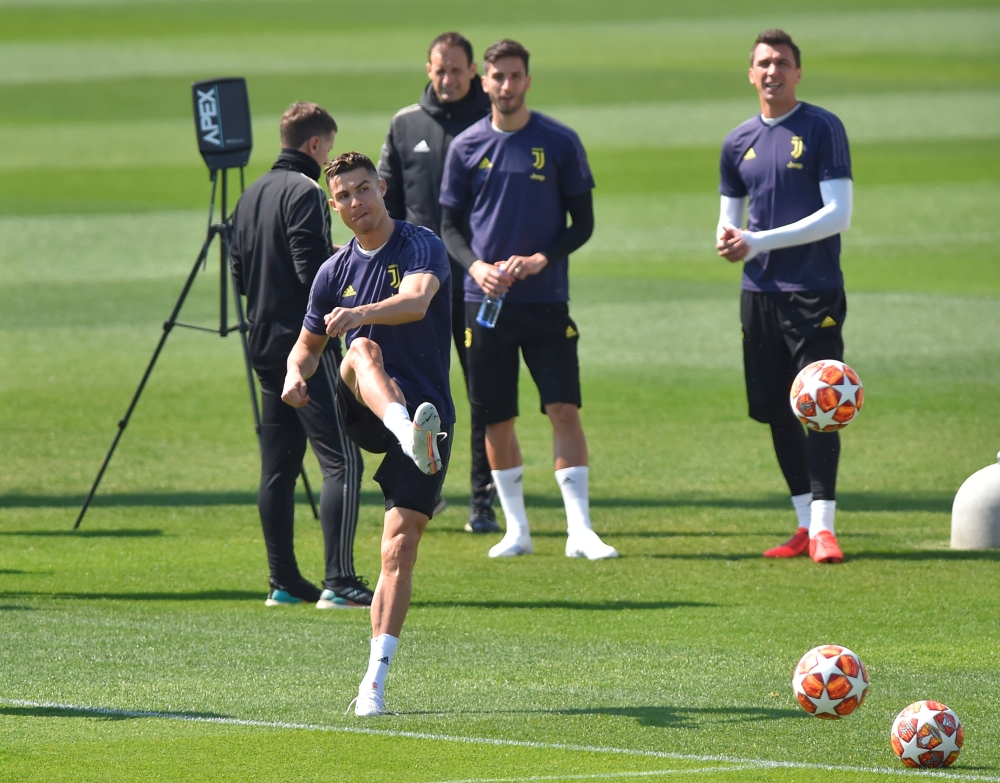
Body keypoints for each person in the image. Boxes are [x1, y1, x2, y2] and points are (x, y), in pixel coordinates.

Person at [283, 151, 453, 717]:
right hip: (368, 410)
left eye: (364, 190)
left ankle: (372, 682)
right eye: (345, 196)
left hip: (431, 411)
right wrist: (292, 377)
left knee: (397, 550)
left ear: (382, 189)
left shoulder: (420, 244)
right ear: (334, 206)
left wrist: (359, 313)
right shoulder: (334, 272)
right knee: (361, 351)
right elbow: (306, 350)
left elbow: (418, 300)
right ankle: (404, 431)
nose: (357, 202)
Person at [439, 39, 617, 561]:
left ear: (527, 81)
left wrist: (543, 259)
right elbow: (449, 225)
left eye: (516, 77)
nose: (507, 86)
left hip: (545, 300)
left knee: (563, 407)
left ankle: (580, 530)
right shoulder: (466, 147)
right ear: (483, 81)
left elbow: (581, 223)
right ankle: (516, 529)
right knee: (497, 417)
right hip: (484, 301)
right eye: (498, 77)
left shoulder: (559, 142)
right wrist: (475, 267)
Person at [716, 29, 853, 564]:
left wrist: (758, 240)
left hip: (813, 291)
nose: (772, 71)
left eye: (782, 63)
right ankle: (802, 523)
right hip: (759, 294)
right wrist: (728, 240)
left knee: (822, 405)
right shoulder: (737, 141)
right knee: (775, 408)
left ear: (798, 72)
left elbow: (838, 213)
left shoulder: (821, 128)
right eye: (763, 63)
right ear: (751, 74)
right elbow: (729, 217)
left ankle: (824, 527)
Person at [230, 103, 370, 608]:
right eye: (329, 147)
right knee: (342, 462)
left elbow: (240, 276)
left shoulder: (249, 195)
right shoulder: (306, 192)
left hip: (262, 341)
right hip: (302, 346)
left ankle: (283, 581)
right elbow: (312, 272)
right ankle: (339, 580)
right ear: (315, 145)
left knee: (278, 467)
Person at [378, 31, 496, 534]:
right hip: (420, 287)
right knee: (414, 392)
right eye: (439, 70)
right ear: (428, 70)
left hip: (476, 280)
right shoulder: (406, 124)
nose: (447, 79)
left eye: (456, 70)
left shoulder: (494, 120)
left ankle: (482, 501)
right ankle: (422, 486)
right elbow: (388, 208)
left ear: (472, 71)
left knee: (483, 393)